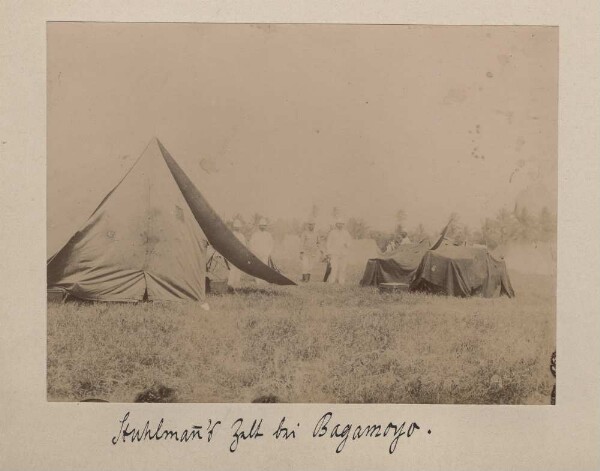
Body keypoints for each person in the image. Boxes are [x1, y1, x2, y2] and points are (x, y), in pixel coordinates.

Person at [326, 218, 353, 284]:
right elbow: (328, 243)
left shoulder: (346, 232)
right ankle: (332, 281)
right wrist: (329, 253)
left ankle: (341, 281)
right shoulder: (332, 232)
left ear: (343, 225)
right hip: (334, 253)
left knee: (343, 268)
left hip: (343, 253)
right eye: (339, 224)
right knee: (334, 268)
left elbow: (350, 241)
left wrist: (347, 244)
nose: (340, 225)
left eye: (341, 224)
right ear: (336, 224)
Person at [249, 218, 274, 286]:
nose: (262, 227)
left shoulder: (268, 235)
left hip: (265, 254)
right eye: (261, 225)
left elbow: (271, 244)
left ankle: (264, 281)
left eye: (264, 225)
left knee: (265, 267)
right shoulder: (255, 234)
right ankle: (258, 282)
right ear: (259, 226)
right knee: (257, 268)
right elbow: (251, 244)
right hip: (257, 254)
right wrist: (254, 253)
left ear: (266, 226)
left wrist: (268, 253)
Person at [227, 219, 246, 290]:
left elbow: (244, 246)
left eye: (238, 227)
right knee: (233, 269)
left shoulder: (242, 236)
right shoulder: (231, 235)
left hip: (240, 255)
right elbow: (229, 245)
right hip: (233, 254)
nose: (237, 228)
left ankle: (237, 284)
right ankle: (230, 284)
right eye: (236, 227)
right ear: (234, 227)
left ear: (240, 227)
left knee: (238, 269)